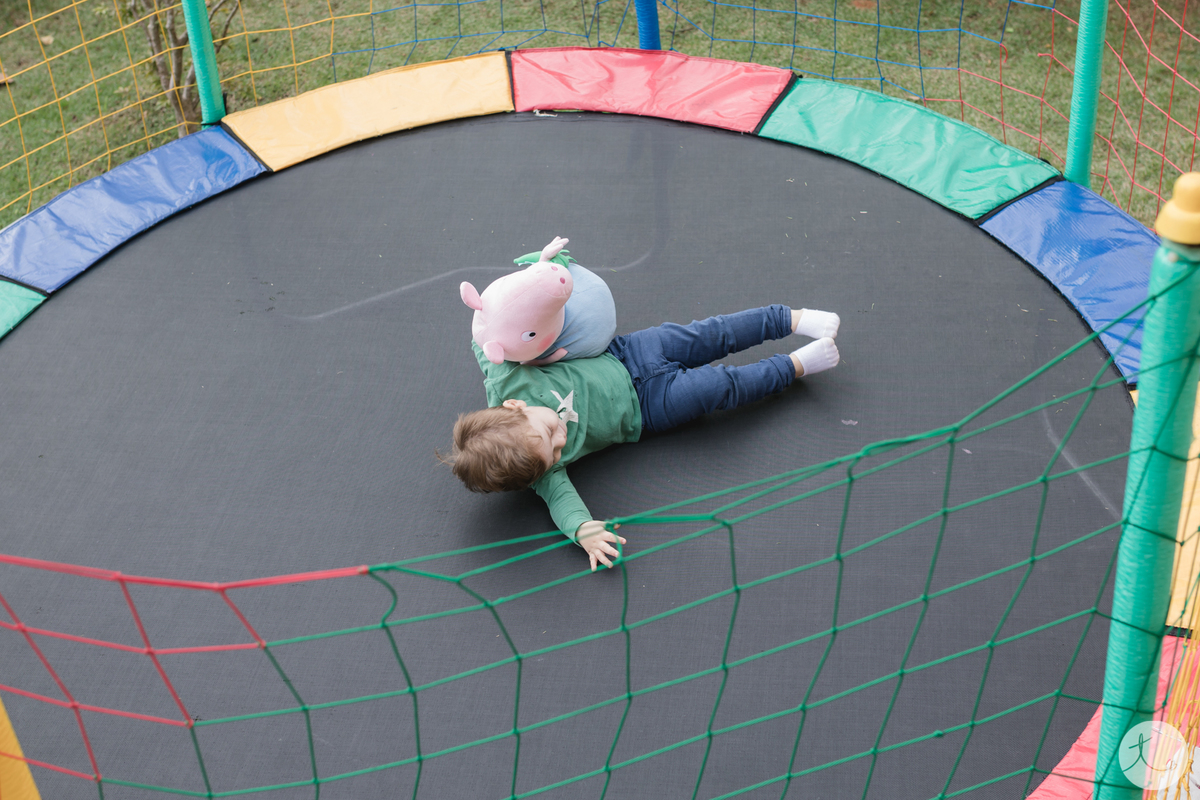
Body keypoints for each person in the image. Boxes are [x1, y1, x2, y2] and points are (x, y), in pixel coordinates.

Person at [443, 304, 841, 571]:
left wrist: (490, 310)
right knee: (719, 387)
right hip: (648, 409)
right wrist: (583, 531)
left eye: (551, 432)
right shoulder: (538, 467)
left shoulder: (506, 378)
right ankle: (794, 365)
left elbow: (485, 339)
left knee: (712, 334)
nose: (562, 440)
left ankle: (790, 318)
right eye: (556, 453)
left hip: (628, 353)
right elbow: (562, 502)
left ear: (515, 407)